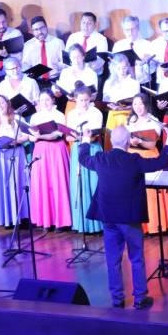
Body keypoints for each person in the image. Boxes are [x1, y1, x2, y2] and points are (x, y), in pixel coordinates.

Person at [79, 123, 168, 309]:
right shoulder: (133, 160)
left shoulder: (101, 158)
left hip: (108, 217)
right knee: (136, 257)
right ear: (127, 142)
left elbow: (83, 158)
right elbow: (161, 162)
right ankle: (140, 298)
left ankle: (117, 300)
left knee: (113, 259)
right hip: (130, 219)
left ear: (111, 141)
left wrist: (85, 138)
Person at [126, 94, 168, 234]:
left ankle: (153, 225)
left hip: (148, 156)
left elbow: (152, 143)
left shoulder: (153, 121)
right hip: (131, 156)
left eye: (141, 104)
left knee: (150, 192)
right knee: (135, 191)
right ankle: (137, 224)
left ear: (146, 104)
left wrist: (139, 142)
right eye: (135, 104)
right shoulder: (131, 120)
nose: (138, 107)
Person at [28, 91, 72, 230]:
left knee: (58, 183)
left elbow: (56, 135)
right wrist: (36, 137)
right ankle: (45, 220)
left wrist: (39, 136)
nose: (45, 103)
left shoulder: (58, 115)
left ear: (53, 100)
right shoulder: (35, 116)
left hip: (56, 150)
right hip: (40, 151)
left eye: (47, 100)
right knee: (43, 183)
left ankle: (61, 221)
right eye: (42, 100)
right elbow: (31, 137)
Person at [0, 94, 29, 227]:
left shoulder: (17, 118)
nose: (0, 106)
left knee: (17, 183)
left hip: (16, 154)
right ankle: (6, 218)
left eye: (2, 103)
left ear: (7, 103)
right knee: (3, 185)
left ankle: (21, 216)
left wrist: (16, 141)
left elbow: (26, 135)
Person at [66, 85, 104, 234]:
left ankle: (98, 224)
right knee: (79, 184)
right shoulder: (72, 114)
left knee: (95, 184)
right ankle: (81, 224)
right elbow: (68, 136)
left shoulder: (96, 113)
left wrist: (82, 136)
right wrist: (77, 137)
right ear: (75, 100)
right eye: (81, 100)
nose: (84, 103)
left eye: (86, 100)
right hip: (78, 149)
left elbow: (94, 135)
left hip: (92, 149)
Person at [103, 53, 139, 147]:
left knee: (126, 144)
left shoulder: (134, 83)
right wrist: (111, 106)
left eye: (124, 68)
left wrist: (123, 108)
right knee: (111, 145)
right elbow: (105, 102)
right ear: (114, 68)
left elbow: (137, 104)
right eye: (118, 68)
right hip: (113, 116)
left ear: (128, 67)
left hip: (128, 116)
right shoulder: (108, 83)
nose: (121, 71)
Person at [54, 43, 98, 116]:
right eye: (73, 58)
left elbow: (93, 97)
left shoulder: (91, 73)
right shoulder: (65, 72)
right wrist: (56, 91)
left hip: (87, 106)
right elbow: (60, 94)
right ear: (70, 58)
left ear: (83, 57)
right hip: (71, 105)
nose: (76, 60)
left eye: (78, 57)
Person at [22, 16, 65, 82]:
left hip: (55, 79)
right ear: (32, 31)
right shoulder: (28, 45)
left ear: (46, 27)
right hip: (36, 80)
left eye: (42, 28)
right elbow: (25, 65)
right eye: (36, 29)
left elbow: (66, 63)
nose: (40, 32)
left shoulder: (58, 43)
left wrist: (57, 65)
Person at [113, 15, 154, 84]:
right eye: (127, 29)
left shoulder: (148, 45)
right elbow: (114, 68)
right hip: (124, 84)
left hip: (143, 83)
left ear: (138, 28)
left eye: (133, 28)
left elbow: (152, 70)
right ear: (123, 30)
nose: (130, 32)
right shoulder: (118, 46)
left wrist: (146, 63)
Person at [65, 11, 108, 77]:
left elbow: (101, 61)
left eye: (89, 23)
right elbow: (66, 57)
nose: (85, 26)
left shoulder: (101, 39)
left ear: (95, 25)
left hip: (93, 73)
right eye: (83, 23)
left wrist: (84, 68)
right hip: (74, 73)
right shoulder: (72, 37)